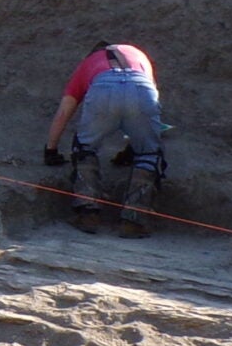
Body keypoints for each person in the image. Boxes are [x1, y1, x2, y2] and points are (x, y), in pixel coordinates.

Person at [43, 42, 165, 237]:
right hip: (142, 86)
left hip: (103, 88)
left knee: (85, 149)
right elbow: (140, 110)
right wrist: (131, 150)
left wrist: (51, 149)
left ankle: (88, 213)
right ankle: (134, 221)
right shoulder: (139, 55)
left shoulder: (88, 64)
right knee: (148, 154)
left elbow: (64, 112)